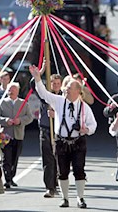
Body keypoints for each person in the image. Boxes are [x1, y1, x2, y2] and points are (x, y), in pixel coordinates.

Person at [30, 64, 97, 209]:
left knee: (79, 170)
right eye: (65, 86)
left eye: (69, 87)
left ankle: (80, 198)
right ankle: (65, 198)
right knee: (62, 172)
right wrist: (37, 78)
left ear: (78, 91)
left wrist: (86, 130)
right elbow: (43, 94)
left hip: (78, 141)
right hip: (61, 141)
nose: (65, 88)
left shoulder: (85, 107)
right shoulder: (59, 101)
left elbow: (93, 125)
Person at [0, 82, 33, 188]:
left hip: (18, 135)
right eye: (9, 89)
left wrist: (20, 120)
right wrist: (5, 120)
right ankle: (7, 179)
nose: (11, 91)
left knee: (15, 158)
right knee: (6, 157)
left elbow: (30, 117)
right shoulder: (2, 102)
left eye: (13, 89)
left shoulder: (24, 103)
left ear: (18, 91)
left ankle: (11, 177)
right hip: (5, 135)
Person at [36, 74, 63, 198]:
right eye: (53, 83)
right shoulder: (44, 96)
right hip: (46, 130)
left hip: (60, 131)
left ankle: (58, 184)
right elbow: (34, 84)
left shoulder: (65, 96)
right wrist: (39, 73)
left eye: (58, 83)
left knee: (60, 159)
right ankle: (49, 187)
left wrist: (56, 114)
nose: (56, 86)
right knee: (48, 160)